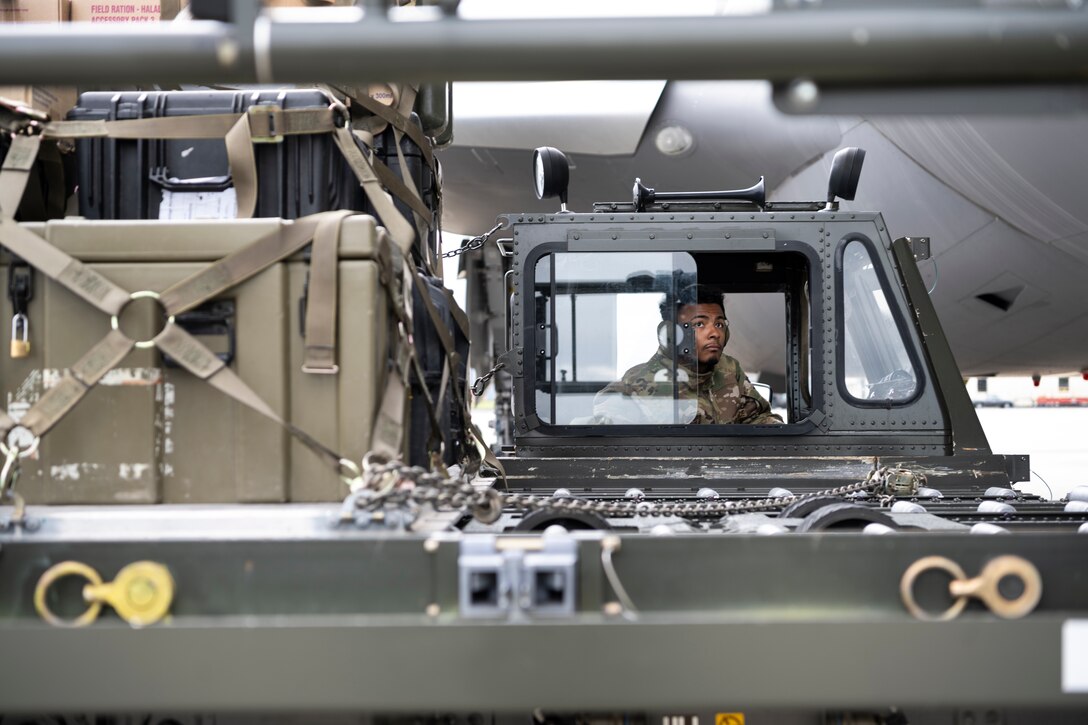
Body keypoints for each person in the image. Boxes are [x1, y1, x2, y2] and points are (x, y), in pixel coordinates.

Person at [592, 286, 782, 425]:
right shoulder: (636, 383)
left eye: (719, 324)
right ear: (671, 334)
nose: (715, 333)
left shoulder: (729, 369)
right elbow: (611, 431)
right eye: (700, 324)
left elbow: (756, 418)